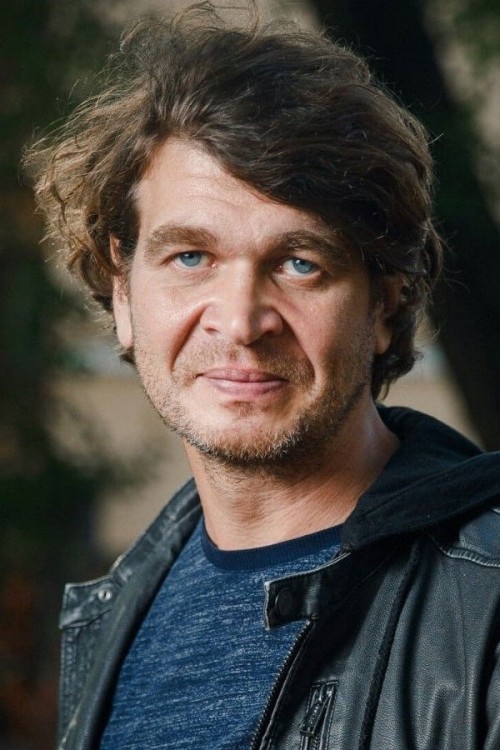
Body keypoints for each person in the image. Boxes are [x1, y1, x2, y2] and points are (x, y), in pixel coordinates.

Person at [26, 4, 500, 749]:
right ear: (122, 294)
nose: (242, 321)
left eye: (299, 263)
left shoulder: (487, 604)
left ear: (383, 305)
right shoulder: (122, 609)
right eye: (191, 257)